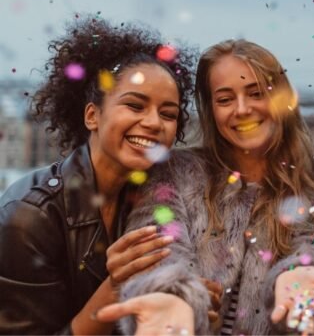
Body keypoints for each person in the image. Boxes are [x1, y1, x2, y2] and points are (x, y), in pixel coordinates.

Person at [115, 39, 314, 335]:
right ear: (211, 110)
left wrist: (303, 278)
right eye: (225, 99)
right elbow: (157, 252)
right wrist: (176, 297)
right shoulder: (175, 173)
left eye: (256, 93)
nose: (242, 109)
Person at [0, 17, 196, 334]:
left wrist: (194, 304)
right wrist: (117, 286)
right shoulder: (28, 217)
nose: (153, 123)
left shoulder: (163, 199)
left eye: (168, 114)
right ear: (92, 115)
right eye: (135, 105)